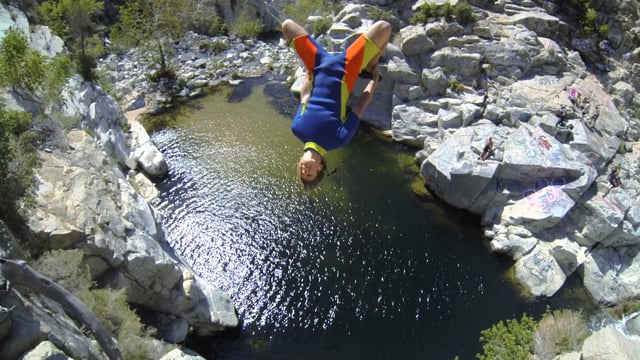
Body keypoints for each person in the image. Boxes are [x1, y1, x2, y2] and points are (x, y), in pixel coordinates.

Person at [282, 18, 391, 189]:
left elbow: (304, 98)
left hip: (317, 63)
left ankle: (366, 62)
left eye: (301, 171)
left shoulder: (298, 129)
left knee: (287, 26)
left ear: (299, 161)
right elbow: (359, 107)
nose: (305, 170)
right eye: (310, 173)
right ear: (320, 168)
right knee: (384, 27)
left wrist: (308, 73)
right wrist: (373, 81)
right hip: (346, 67)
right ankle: (370, 65)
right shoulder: (338, 139)